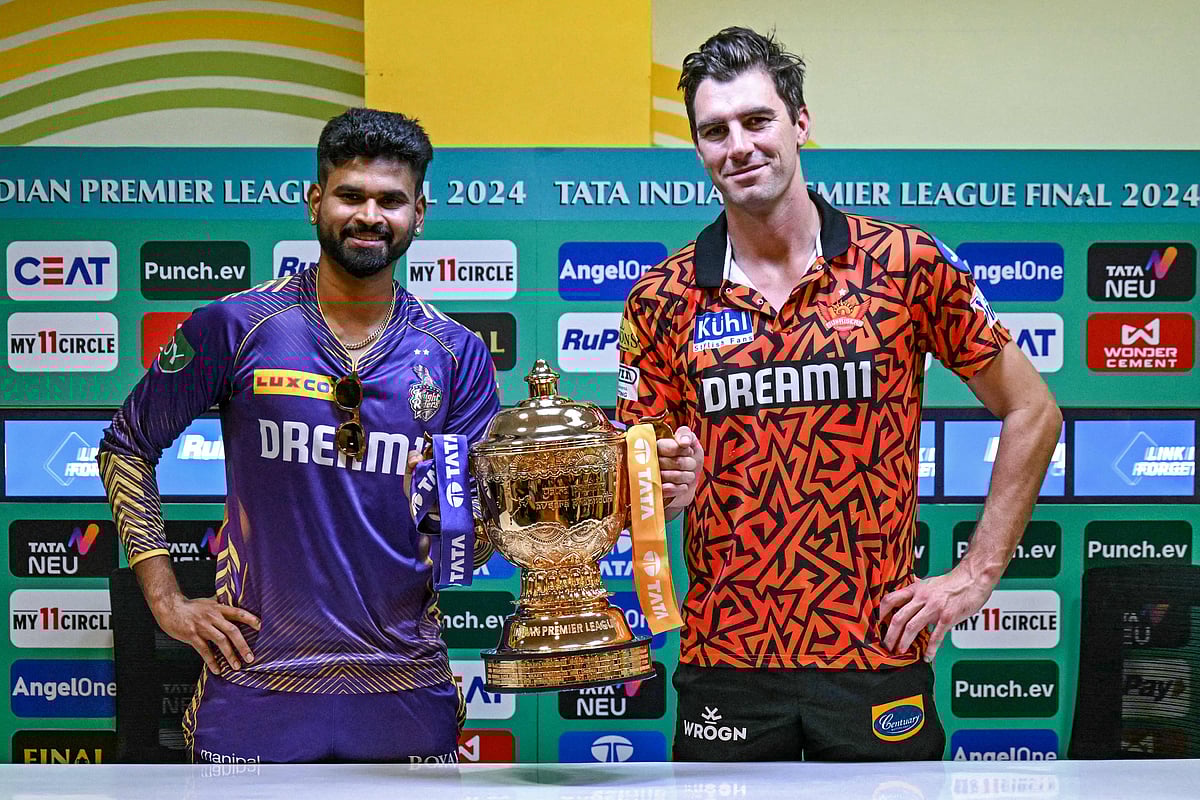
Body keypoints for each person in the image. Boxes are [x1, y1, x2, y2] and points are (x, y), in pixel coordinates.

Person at [616, 27, 1062, 762]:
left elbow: (1033, 409)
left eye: (758, 121)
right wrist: (661, 483)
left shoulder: (904, 262)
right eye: (714, 131)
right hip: (726, 657)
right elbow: (639, 476)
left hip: (876, 652)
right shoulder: (659, 298)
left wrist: (975, 575)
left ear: (800, 122)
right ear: (698, 149)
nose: (739, 146)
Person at [97, 108, 501, 764]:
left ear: (419, 214)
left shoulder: (456, 353)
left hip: (405, 690)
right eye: (350, 195)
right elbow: (126, 445)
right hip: (255, 690)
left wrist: (507, 522)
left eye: (391, 200)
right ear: (316, 201)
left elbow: (477, 530)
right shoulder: (235, 326)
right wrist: (166, 601)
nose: (369, 214)